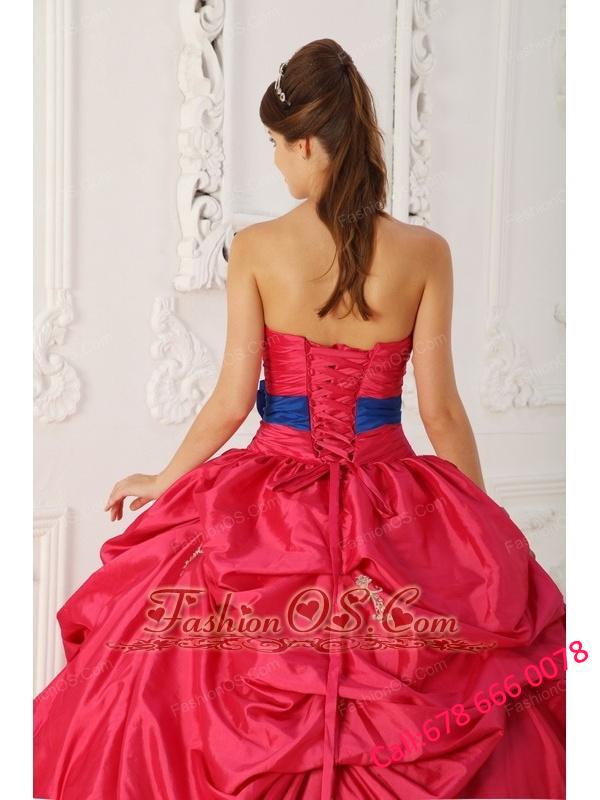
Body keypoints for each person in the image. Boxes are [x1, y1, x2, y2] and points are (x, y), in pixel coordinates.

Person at [34, 38, 566, 800]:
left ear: (309, 144)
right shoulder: (425, 253)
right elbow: (442, 413)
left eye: (277, 144)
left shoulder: (257, 248)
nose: (277, 161)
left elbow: (230, 397)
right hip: (393, 499)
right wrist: (486, 540)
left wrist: (166, 477)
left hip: (266, 506)